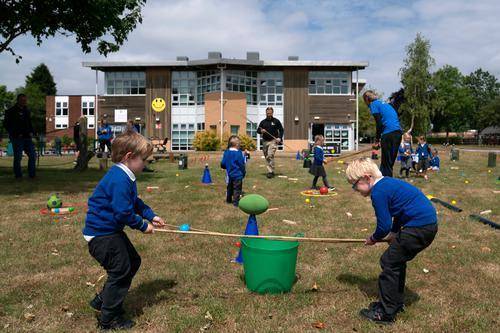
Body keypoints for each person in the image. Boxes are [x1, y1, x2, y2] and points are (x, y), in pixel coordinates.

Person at [82, 131, 166, 330]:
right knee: (120, 271)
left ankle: (102, 300)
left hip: (110, 231)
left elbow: (134, 202)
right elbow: (123, 213)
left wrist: (150, 215)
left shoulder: (125, 175)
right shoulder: (119, 179)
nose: (145, 164)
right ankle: (108, 318)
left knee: (133, 261)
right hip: (102, 235)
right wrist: (143, 226)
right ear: (129, 157)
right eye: (143, 160)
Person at [346, 157, 438, 324]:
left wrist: (374, 238)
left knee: (388, 262)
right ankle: (395, 303)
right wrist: (394, 233)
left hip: (419, 228)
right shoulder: (387, 183)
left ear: (367, 178)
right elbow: (399, 212)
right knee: (396, 261)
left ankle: (386, 313)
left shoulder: (378, 192)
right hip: (427, 225)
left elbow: (383, 225)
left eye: (355, 184)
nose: (354, 189)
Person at [363, 91, 402, 177]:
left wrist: (377, 140)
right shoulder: (385, 104)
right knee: (389, 163)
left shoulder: (373, 104)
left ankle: (385, 184)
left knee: (386, 164)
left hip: (388, 134)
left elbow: (379, 123)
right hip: (398, 133)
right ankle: (386, 182)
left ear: (367, 99)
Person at [3, 94, 36, 179]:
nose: (24, 102)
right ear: (18, 100)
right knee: (18, 157)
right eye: (22, 100)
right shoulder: (10, 111)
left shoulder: (27, 111)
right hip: (17, 138)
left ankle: (32, 175)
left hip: (27, 137)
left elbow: (30, 124)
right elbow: (6, 125)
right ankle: (18, 175)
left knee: (32, 155)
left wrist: (32, 132)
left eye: (25, 100)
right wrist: (15, 133)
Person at [257, 107, 284, 178]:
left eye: (270, 113)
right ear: (266, 113)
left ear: (272, 113)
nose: (269, 114)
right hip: (265, 141)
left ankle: (271, 172)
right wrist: (261, 131)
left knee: (270, 155)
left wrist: (279, 138)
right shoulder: (263, 122)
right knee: (267, 157)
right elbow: (258, 130)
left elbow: (281, 130)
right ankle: (271, 170)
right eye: (267, 113)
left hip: (273, 141)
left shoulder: (276, 121)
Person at [221, 135, 246, 207]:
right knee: (237, 189)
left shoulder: (226, 152)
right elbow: (241, 164)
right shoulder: (238, 153)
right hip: (238, 174)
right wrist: (243, 172)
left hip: (230, 174)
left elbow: (223, 163)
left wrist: (224, 166)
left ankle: (228, 200)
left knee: (230, 187)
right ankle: (236, 203)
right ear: (237, 144)